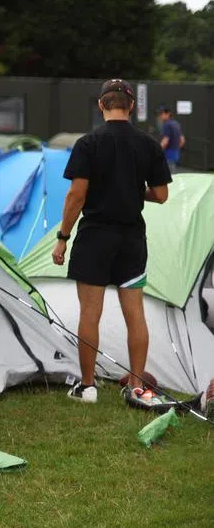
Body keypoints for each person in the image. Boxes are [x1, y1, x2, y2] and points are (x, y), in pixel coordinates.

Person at [53, 79, 171, 410]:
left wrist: (62, 238)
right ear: (131, 106)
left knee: (90, 312)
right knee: (135, 314)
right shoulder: (149, 144)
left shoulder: (88, 143)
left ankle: (88, 387)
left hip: (94, 237)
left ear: (102, 105)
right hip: (132, 238)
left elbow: (77, 195)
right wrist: (135, 191)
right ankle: (136, 386)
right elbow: (161, 195)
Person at [158, 105, 185, 172]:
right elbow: (182, 140)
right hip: (175, 154)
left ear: (168, 114)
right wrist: (176, 149)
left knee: (167, 176)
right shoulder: (176, 123)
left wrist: (157, 151)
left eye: (162, 113)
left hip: (167, 155)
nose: (160, 116)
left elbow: (165, 141)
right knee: (173, 174)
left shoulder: (167, 125)